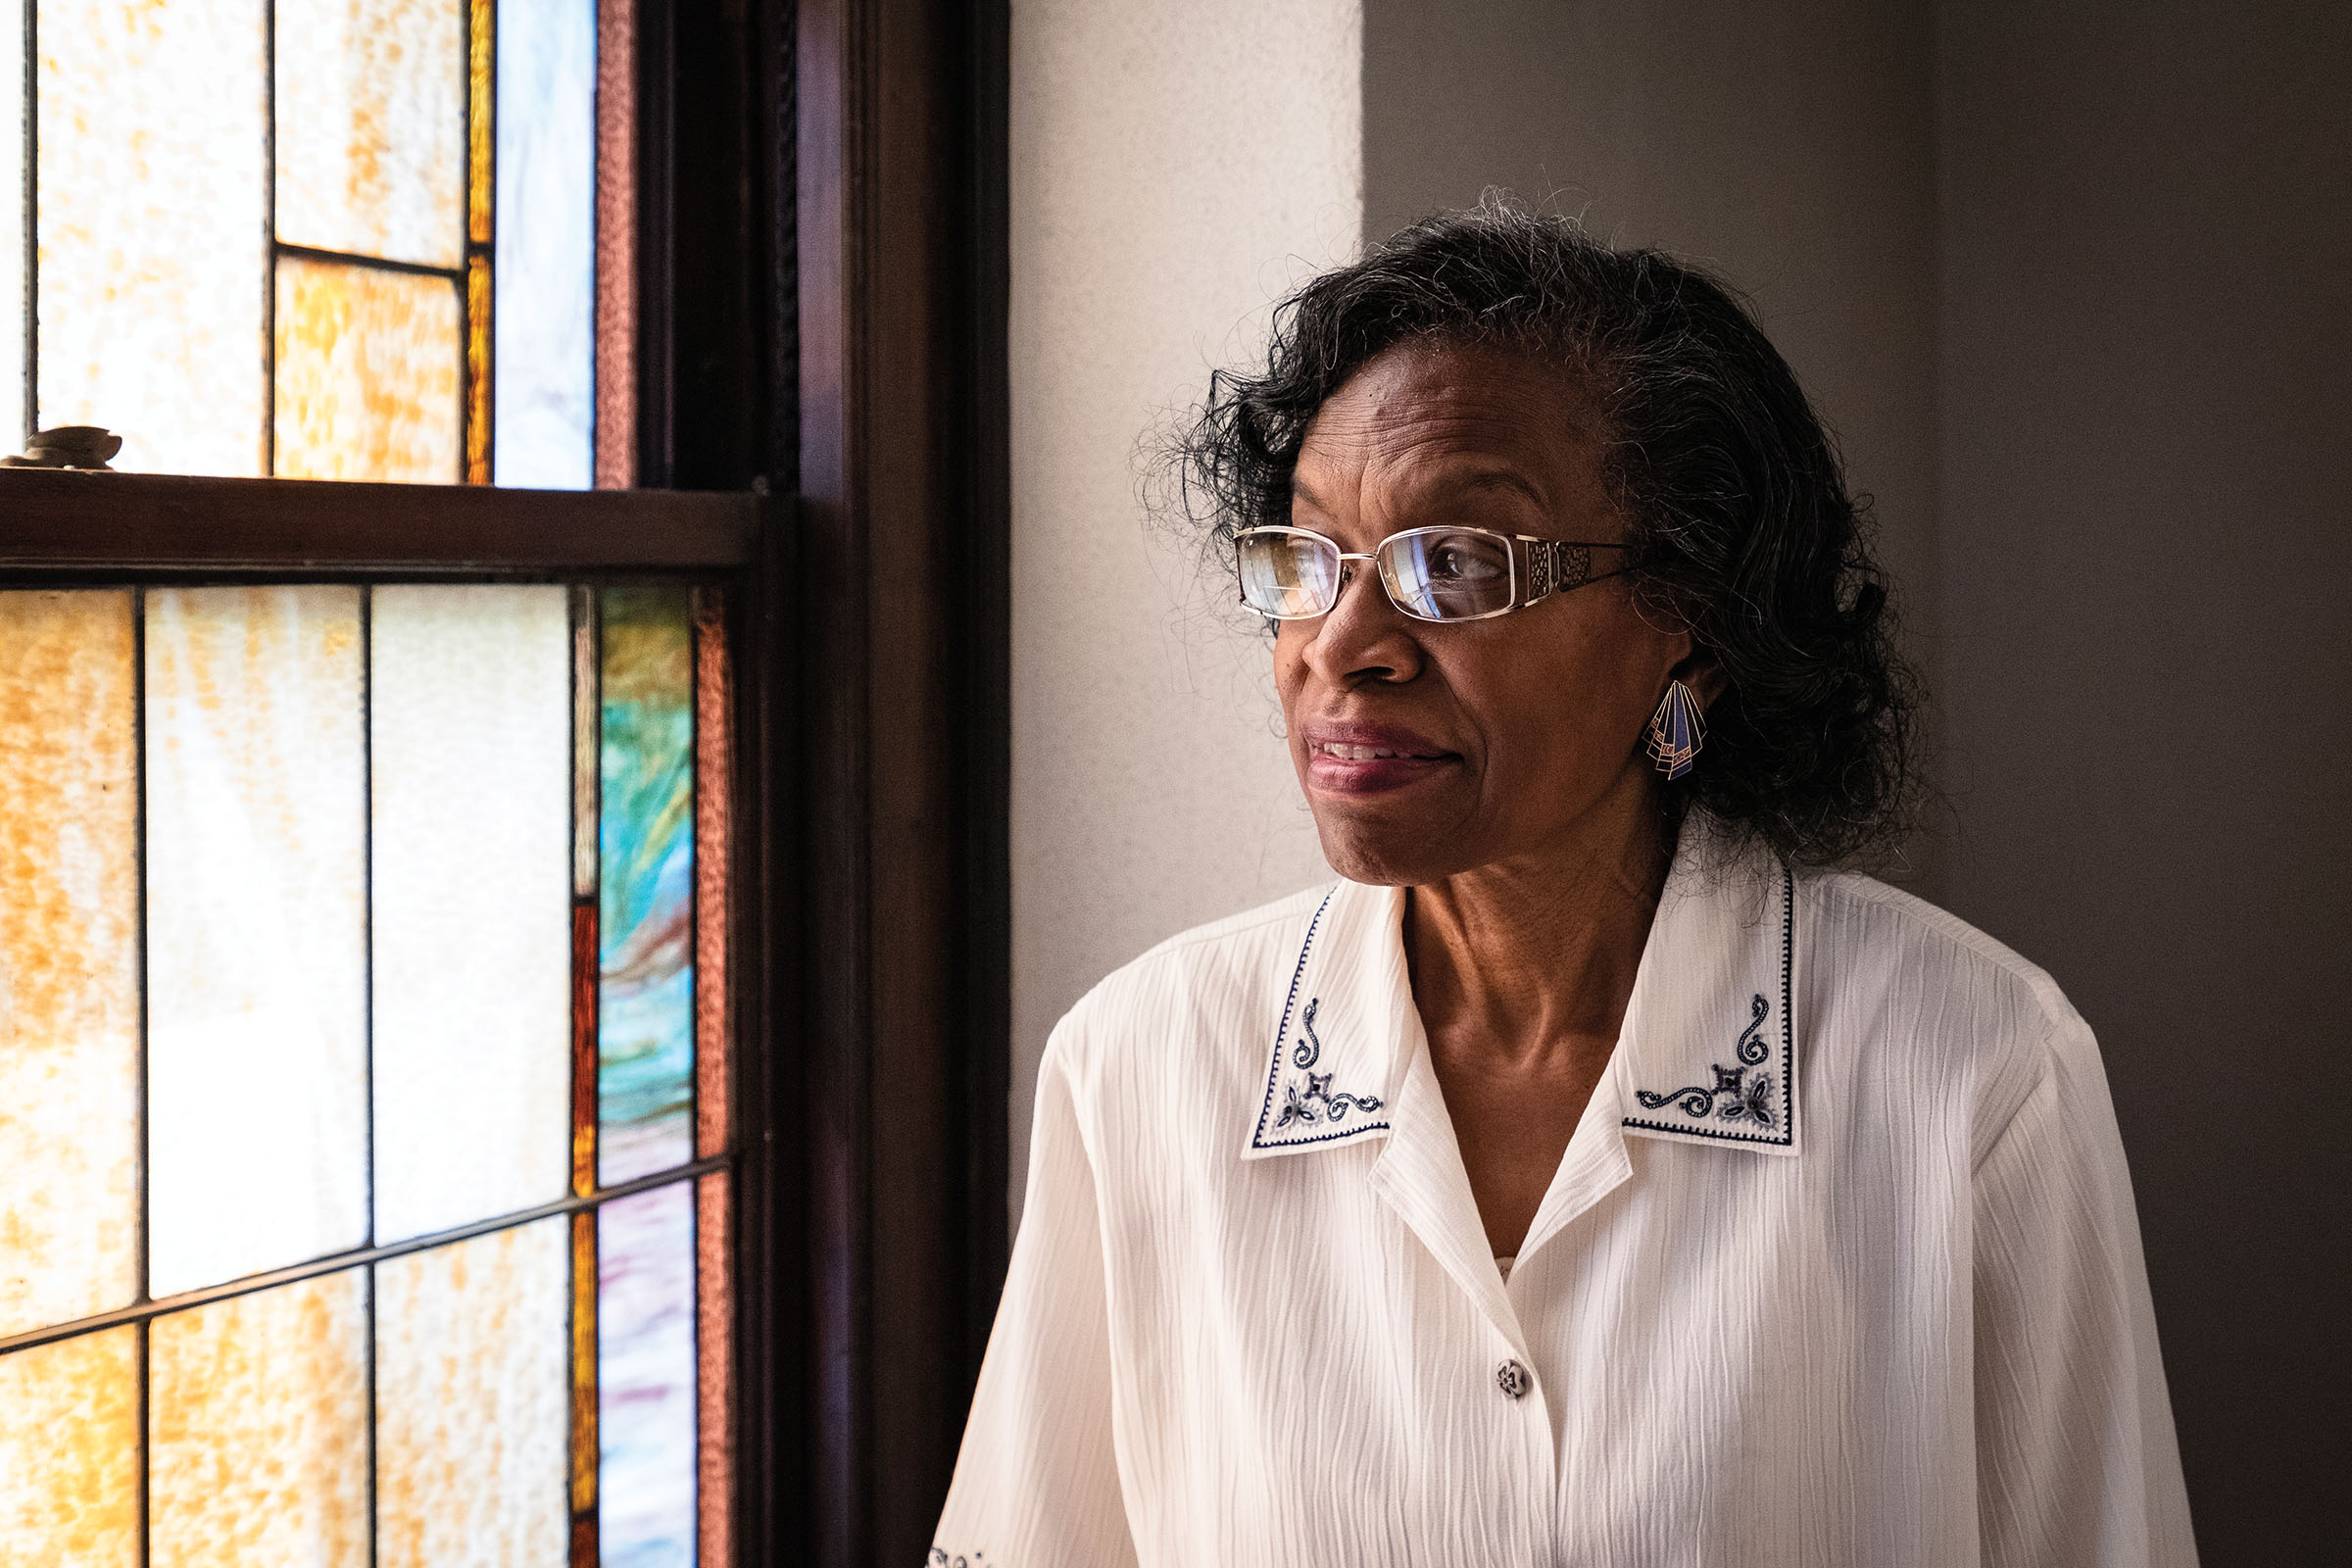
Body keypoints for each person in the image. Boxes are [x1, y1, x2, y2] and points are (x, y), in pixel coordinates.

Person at [929, 201, 2194, 1567]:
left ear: (1691, 629)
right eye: (1305, 560)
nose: (1343, 644)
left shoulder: (1976, 1076)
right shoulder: (1140, 1072)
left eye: (1457, 563)